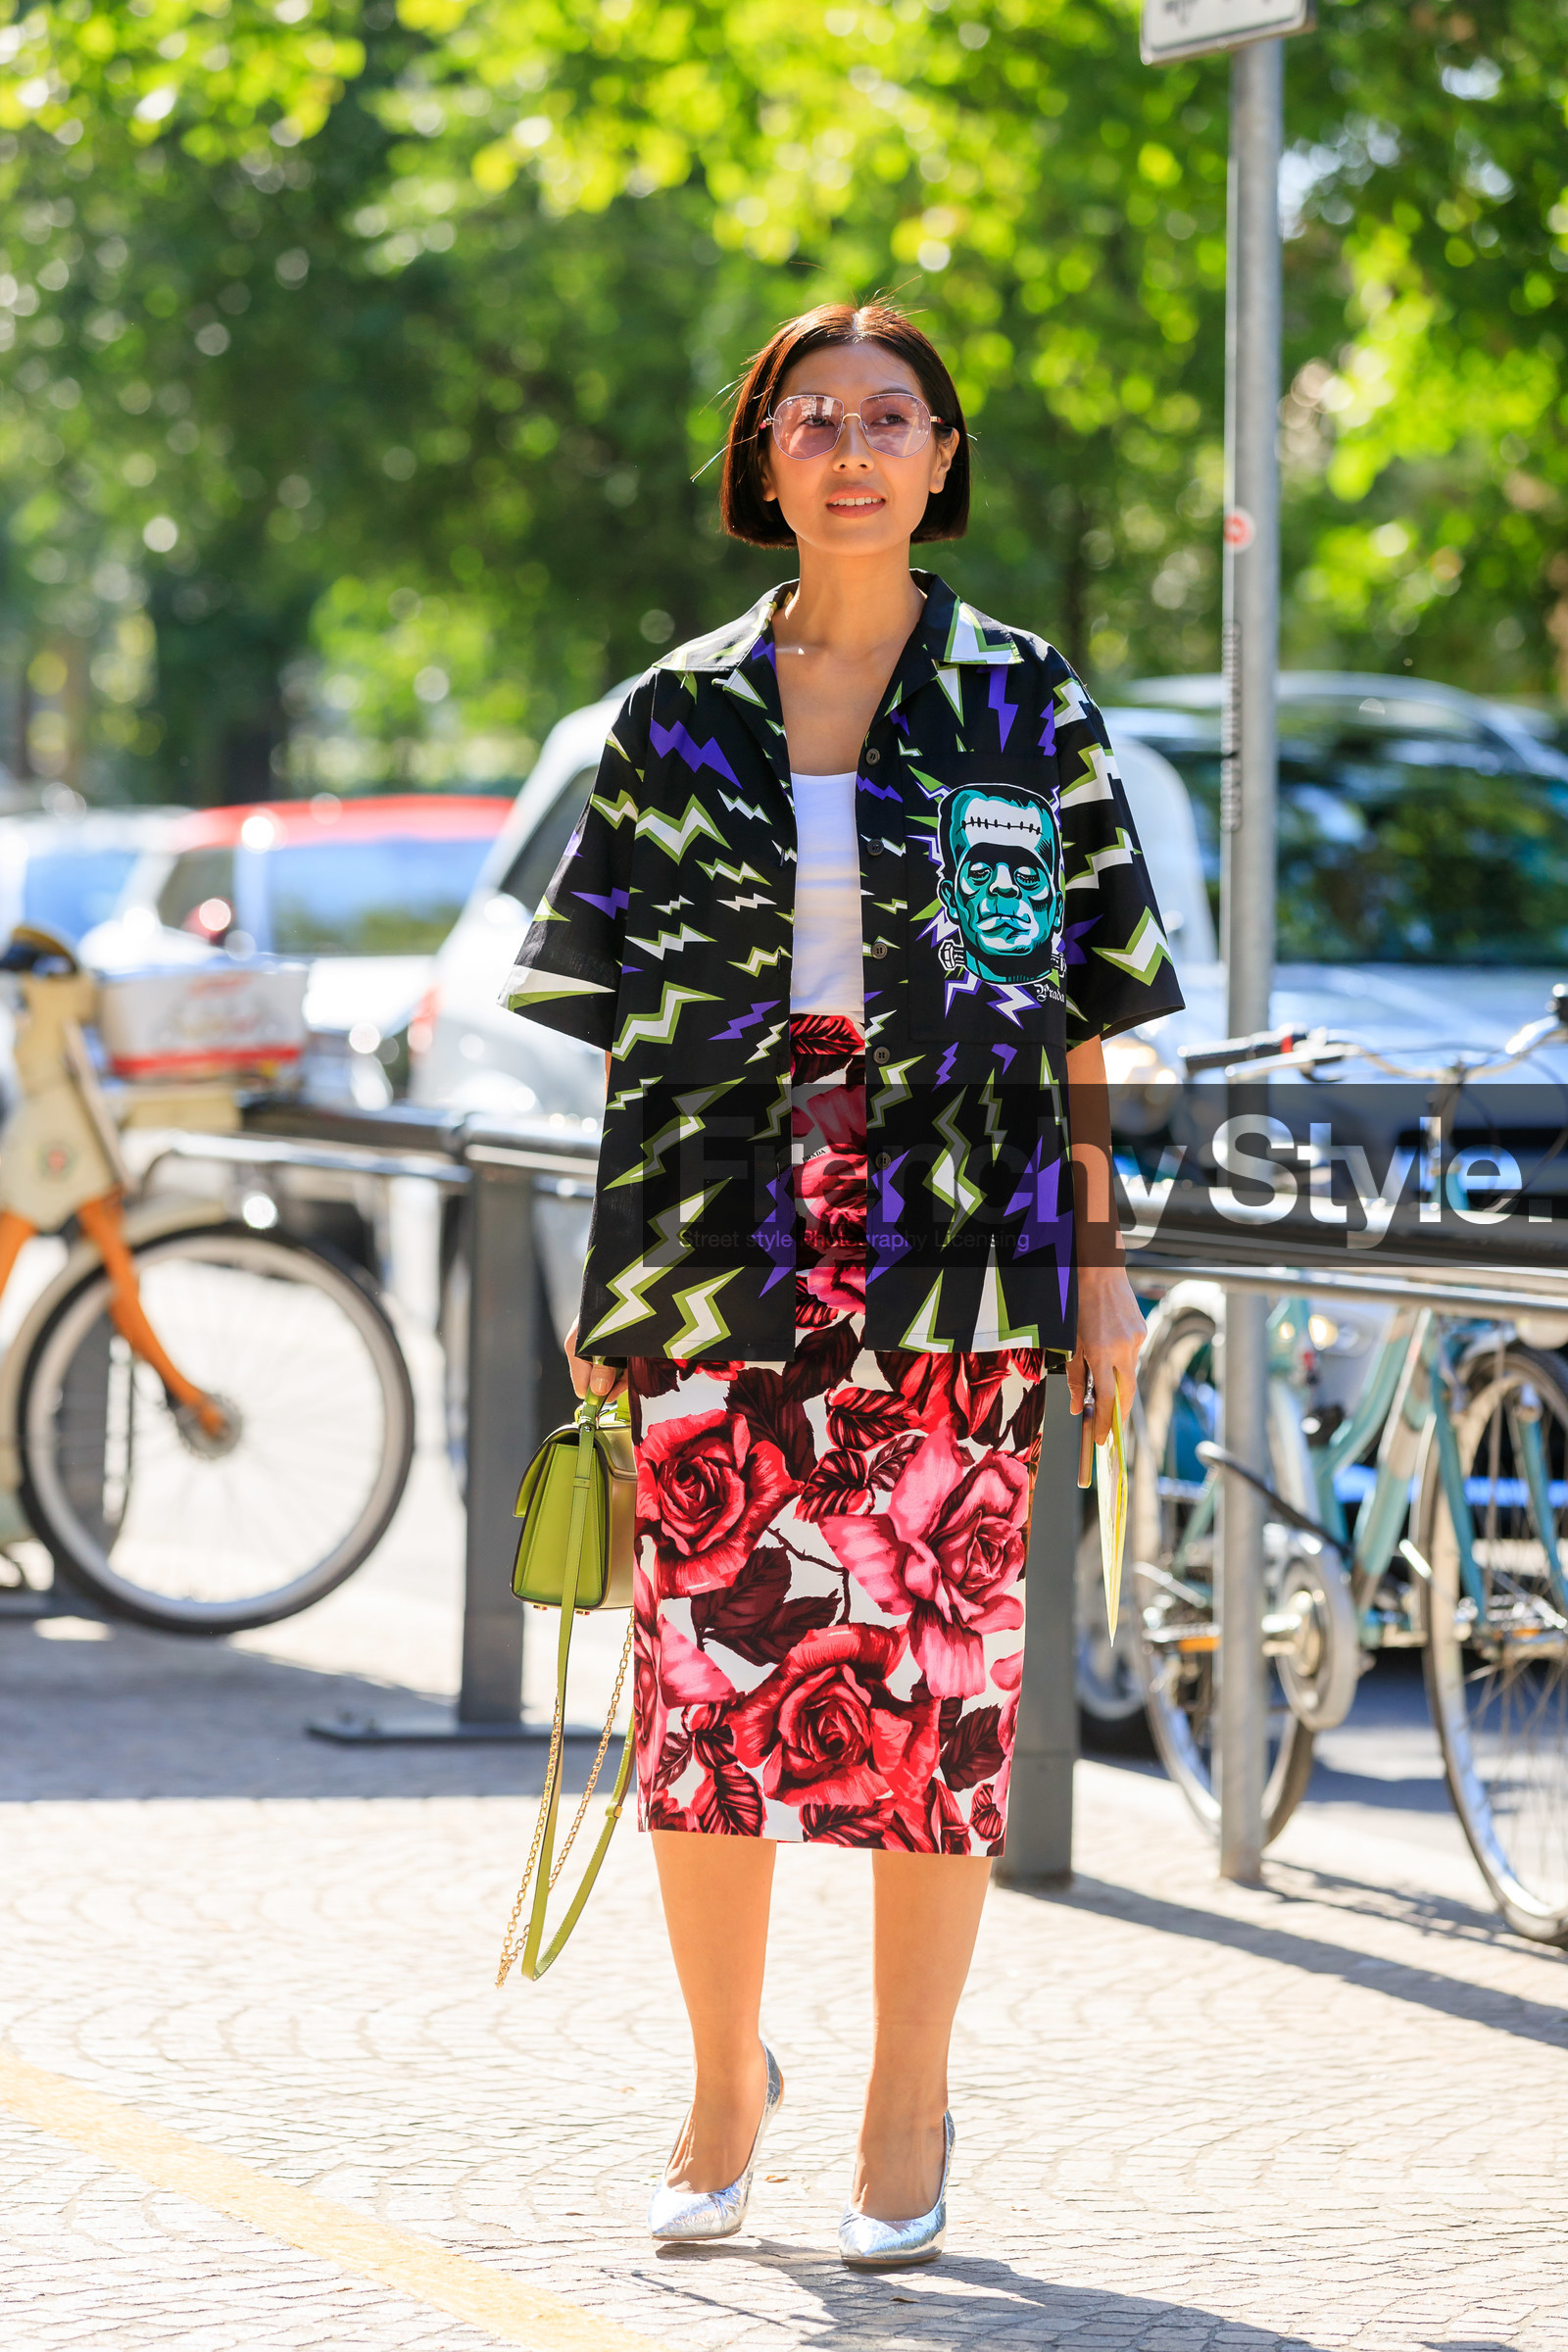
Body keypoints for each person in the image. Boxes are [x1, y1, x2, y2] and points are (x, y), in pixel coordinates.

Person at [502, 301, 1184, 2268]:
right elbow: (624, 1031)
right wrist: (606, 1267)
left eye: (894, 418)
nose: (856, 450)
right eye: (817, 420)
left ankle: (903, 2099)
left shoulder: (1024, 707)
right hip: (716, 1256)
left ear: (944, 459)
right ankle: (725, 2083)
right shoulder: (670, 718)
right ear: (764, 458)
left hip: (958, 1263)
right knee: (704, 1695)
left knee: (927, 1701)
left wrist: (1100, 1260)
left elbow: (1073, 1012)